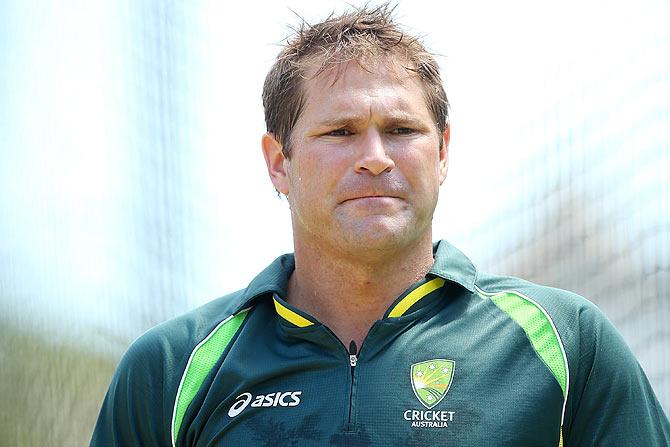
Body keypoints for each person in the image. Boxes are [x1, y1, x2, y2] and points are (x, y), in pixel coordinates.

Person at [91, 4, 670, 446]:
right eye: (340, 132)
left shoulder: (566, 344)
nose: (375, 156)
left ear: (443, 152)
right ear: (278, 163)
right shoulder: (171, 369)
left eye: (401, 129)